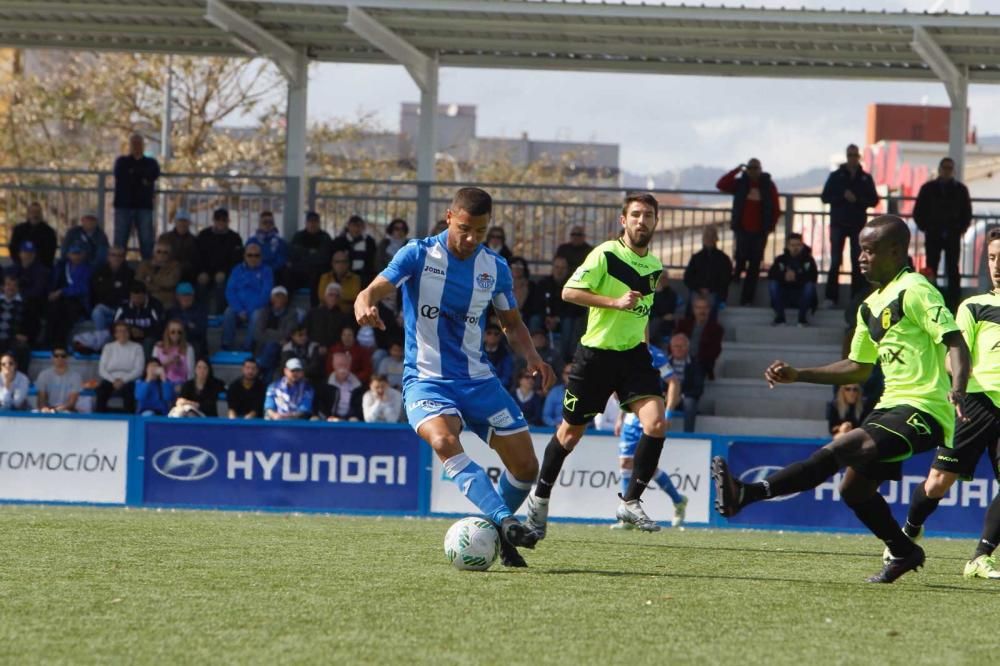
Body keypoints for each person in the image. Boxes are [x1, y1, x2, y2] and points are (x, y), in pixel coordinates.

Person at [711, 214, 970, 584]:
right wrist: (800, 374)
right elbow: (857, 367)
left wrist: (957, 388)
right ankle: (903, 550)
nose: (861, 257)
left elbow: (954, 339)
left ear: (896, 250)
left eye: (869, 250)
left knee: (841, 447)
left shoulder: (916, 289)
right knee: (854, 490)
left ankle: (747, 493)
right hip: (889, 408)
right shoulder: (870, 305)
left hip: (923, 409)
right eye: (859, 250)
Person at [354, 186, 555, 567]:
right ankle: (505, 523)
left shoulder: (494, 268)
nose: (470, 239)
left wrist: (533, 356)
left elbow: (511, 323)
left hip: (479, 381)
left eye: (479, 231)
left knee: (527, 467)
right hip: (427, 380)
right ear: (449, 217)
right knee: (444, 439)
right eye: (464, 228)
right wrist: (364, 303)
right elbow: (375, 288)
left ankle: (497, 531)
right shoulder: (417, 254)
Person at [525, 192, 667, 537]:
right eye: (635, 214)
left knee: (657, 422)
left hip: (634, 355)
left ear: (655, 221)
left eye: (648, 215)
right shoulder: (605, 253)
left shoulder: (655, 266)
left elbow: (642, 313)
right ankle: (539, 502)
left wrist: (645, 345)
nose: (641, 221)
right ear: (623, 220)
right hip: (596, 356)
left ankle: (630, 502)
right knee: (570, 434)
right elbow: (569, 292)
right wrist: (614, 302)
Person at [880, 228, 1000, 579]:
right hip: (975, 402)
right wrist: (959, 383)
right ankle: (910, 530)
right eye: (991, 258)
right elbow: (954, 354)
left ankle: (980, 556)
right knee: (936, 483)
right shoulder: (974, 306)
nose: (996, 265)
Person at [611, 343, 687, 529]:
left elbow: (673, 382)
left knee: (646, 466)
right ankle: (627, 514)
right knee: (626, 463)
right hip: (630, 416)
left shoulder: (654, 354)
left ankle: (678, 501)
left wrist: (668, 412)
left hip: (648, 414)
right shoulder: (620, 348)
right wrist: (620, 417)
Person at [821, 144, 880, 307]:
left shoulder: (865, 178)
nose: (852, 158)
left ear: (858, 157)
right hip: (838, 224)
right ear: (846, 157)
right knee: (835, 261)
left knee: (857, 260)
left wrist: (858, 200)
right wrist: (841, 196)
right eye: (850, 155)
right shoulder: (836, 176)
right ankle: (830, 297)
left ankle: (856, 298)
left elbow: (874, 200)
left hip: (857, 224)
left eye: (855, 155)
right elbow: (825, 197)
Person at [717, 159, 781, 306]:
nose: (753, 171)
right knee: (740, 258)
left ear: (760, 169)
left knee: (754, 266)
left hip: (760, 232)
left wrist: (771, 226)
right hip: (742, 230)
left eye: (756, 168)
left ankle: (747, 299)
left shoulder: (768, 185)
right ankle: (735, 282)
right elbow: (721, 185)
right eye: (750, 168)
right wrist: (736, 171)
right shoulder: (741, 183)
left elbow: (776, 207)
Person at [913, 157, 973, 312]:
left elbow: (967, 213)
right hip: (933, 234)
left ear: (953, 171)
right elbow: (918, 212)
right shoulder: (928, 188)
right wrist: (926, 227)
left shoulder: (960, 190)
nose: (947, 171)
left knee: (953, 268)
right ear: (939, 169)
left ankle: (954, 303)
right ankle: (930, 301)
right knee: (931, 267)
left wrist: (961, 228)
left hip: (952, 235)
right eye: (944, 167)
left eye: (949, 168)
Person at [113, 132, 160, 259]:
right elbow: (121, 176)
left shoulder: (151, 162)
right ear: (129, 145)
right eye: (133, 143)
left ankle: (147, 270)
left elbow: (154, 174)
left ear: (143, 146)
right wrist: (142, 178)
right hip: (124, 206)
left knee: (146, 241)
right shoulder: (121, 161)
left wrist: (134, 173)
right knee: (120, 241)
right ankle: (117, 270)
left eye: (139, 143)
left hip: (144, 206)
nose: (136, 146)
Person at [221, 241, 273, 352]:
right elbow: (230, 291)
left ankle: (248, 348)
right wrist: (239, 310)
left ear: (261, 256)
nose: (253, 258)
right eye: (250, 255)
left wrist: (248, 310)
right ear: (244, 256)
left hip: (257, 308)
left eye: (256, 255)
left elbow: (266, 293)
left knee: (257, 314)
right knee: (228, 312)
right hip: (239, 309)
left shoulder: (267, 271)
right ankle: (226, 346)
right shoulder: (237, 270)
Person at [535, 255, 585, 362]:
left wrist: (557, 319)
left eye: (563, 268)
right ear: (552, 268)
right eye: (557, 267)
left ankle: (564, 358)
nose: (559, 271)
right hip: (545, 320)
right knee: (534, 319)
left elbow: (575, 308)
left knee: (568, 323)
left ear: (567, 270)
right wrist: (546, 318)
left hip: (564, 320)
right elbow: (537, 304)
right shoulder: (543, 284)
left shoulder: (574, 285)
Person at [195, 207, 245, 313]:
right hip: (205, 272)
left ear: (228, 221)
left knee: (222, 284)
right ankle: (201, 314)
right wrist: (201, 272)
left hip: (225, 273)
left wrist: (225, 272)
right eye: (218, 219)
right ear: (214, 220)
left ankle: (219, 315)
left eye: (224, 219)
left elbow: (236, 260)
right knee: (200, 284)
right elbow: (197, 256)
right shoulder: (203, 235)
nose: (221, 222)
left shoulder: (235, 238)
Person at [767, 232, 819, 326]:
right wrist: (784, 276)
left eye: (798, 245)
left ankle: (802, 319)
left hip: (801, 296)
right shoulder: (780, 259)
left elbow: (813, 277)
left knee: (809, 286)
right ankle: (780, 318)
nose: (795, 248)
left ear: (802, 245)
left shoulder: (809, 260)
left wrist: (796, 277)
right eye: (792, 245)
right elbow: (771, 274)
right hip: (784, 295)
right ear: (787, 246)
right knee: (773, 284)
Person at [47, 243, 93, 349]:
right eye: (73, 254)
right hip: (60, 300)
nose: (76, 256)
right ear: (68, 255)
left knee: (67, 312)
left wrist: (62, 292)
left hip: (78, 302)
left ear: (83, 255)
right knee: (53, 309)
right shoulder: (61, 267)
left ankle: (61, 342)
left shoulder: (86, 269)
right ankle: (49, 341)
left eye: (78, 254)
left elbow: (83, 288)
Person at [95, 321, 144, 413]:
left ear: (129, 333)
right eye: (119, 331)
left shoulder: (137, 347)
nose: (122, 334)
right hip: (110, 379)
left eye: (125, 331)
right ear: (115, 334)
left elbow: (138, 370)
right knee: (101, 391)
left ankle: (129, 419)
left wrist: (123, 380)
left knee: (130, 392)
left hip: (129, 379)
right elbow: (102, 369)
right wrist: (114, 380)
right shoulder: (108, 347)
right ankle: (99, 418)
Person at [673, 294, 723, 381]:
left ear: (709, 309)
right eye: (698, 308)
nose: (701, 311)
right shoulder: (683, 324)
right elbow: (674, 342)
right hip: (681, 360)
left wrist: (694, 360)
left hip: (701, 363)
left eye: (704, 308)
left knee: (694, 372)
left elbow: (715, 351)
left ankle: (688, 394)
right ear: (693, 309)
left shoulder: (716, 328)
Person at [251, 286, 299, 376]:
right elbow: (258, 334)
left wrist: (268, 331)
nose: (279, 299)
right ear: (271, 298)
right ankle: (264, 372)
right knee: (271, 347)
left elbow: (288, 333)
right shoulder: (264, 312)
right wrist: (277, 338)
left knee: (272, 347)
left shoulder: (292, 313)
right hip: (263, 346)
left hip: (284, 347)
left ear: (286, 299)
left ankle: (260, 370)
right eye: (276, 296)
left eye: (282, 296)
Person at [683, 226, 733, 311]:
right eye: (707, 236)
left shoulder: (723, 259)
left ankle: (710, 323)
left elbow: (726, 280)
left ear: (716, 238)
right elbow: (687, 278)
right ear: (703, 239)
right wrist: (699, 289)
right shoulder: (696, 258)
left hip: (715, 293)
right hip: (697, 291)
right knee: (693, 304)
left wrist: (710, 290)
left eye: (712, 236)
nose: (709, 239)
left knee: (711, 302)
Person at [11, 241, 53, 338]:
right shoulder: (13, 268)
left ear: (34, 255)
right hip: (13, 299)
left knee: (30, 306)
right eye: (25, 252)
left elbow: (38, 291)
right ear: (20, 254)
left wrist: (19, 293)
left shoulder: (41, 270)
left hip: (34, 303)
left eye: (30, 253)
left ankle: (28, 339)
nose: (27, 256)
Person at [90, 246, 134, 336]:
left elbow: (128, 294)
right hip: (105, 308)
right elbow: (95, 293)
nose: (116, 258)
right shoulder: (99, 272)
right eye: (113, 255)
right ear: (108, 257)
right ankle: (102, 340)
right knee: (97, 311)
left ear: (124, 258)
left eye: (120, 255)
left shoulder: (130, 274)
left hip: (122, 309)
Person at [289, 211, 333, 301]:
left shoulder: (325, 237)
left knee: (318, 275)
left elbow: (324, 258)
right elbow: (293, 254)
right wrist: (312, 253)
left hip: (318, 272)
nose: (312, 224)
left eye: (315, 222)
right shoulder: (298, 236)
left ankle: (315, 307)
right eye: (310, 222)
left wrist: (305, 253)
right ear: (306, 223)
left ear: (319, 223)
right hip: (300, 271)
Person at [666, 333, 705, 433]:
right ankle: (655, 432)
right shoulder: (664, 363)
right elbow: (657, 383)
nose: (678, 349)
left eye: (681, 346)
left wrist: (681, 397)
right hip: (666, 396)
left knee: (690, 403)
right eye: (676, 346)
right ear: (671, 347)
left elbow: (698, 388)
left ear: (687, 348)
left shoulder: (696, 364)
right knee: (655, 400)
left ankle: (688, 434)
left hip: (685, 398)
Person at [113, 281, 164, 355]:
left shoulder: (155, 305)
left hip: (147, 337)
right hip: (127, 335)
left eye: (139, 298)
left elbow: (160, 327)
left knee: (149, 341)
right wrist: (129, 331)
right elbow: (115, 325)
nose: (136, 300)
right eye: (133, 297)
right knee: (111, 338)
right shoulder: (123, 306)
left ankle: (146, 365)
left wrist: (143, 332)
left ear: (145, 295)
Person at [305, 282, 351, 354]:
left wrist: (328, 347)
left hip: (335, 350)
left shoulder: (344, 317)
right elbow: (305, 331)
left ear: (340, 298)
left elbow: (344, 337)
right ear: (325, 296)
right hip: (313, 347)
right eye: (331, 295)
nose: (333, 298)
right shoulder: (313, 313)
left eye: (337, 296)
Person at [165, 282, 208, 357]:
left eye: (189, 295)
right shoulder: (171, 311)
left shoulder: (201, 310)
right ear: (177, 296)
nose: (186, 298)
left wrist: (182, 326)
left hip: (193, 342)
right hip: (173, 341)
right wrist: (188, 325)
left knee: (196, 347)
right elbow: (167, 329)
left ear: (193, 296)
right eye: (183, 295)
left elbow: (201, 330)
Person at [9, 201, 57, 268]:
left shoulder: (49, 232)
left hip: (42, 268)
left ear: (41, 214)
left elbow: (50, 253)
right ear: (28, 214)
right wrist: (21, 263)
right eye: (33, 212)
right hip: (21, 266)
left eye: (38, 212)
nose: (35, 215)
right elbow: (13, 248)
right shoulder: (19, 230)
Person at [247, 210, 289, 287]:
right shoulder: (252, 241)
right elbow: (249, 258)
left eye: (270, 222)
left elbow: (281, 259)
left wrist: (269, 270)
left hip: (275, 273)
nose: (268, 225)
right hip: (256, 271)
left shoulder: (281, 242)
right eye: (265, 222)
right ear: (259, 224)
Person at [35, 346, 83, 413]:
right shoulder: (44, 375)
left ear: (67, 358)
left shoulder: (75, 376)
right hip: (48, 410)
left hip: (67, 411)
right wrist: (45, 409)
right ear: (52, 357)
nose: (59, 358)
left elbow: (72, 402)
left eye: (63, 356)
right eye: (56, 356)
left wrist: (56, 410)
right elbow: (41, 398)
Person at [332, 215, 377, 286]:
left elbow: (372, 260)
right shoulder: (339, 241)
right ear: (348, 226)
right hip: (345, 276)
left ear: (363, 227)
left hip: (364, 277)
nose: (356, 229)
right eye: (353, 226)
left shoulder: (369, 242)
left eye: (359, 226)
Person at [135, 241, 181, 308]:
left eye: (165, 252)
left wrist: (150, 279)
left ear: (170, 254)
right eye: (159, 251)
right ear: (153, 253)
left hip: (166, 300)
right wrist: (159, 287)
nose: (162, 254)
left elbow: (170, 282)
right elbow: (139, 282)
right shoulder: (144, 265)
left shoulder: (175, 266)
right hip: (145, 299)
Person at [0, 273, 31, 373]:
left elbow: (32, 325)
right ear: (3, 287)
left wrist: (25, 335)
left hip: (14, 338)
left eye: (14, 285)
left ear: (18, 288)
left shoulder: (26, 304)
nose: (11, 288)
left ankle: (21, 380)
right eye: (8, 284)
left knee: (22, 348)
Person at [153, 319, 195, 391]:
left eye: (179, 332)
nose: (176, 334)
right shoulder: (158, 347)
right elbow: (152, 369)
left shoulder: (188, 348)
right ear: (168, 333)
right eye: (173, 332)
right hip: (161, 383)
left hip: (181, 383)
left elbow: (190, 373)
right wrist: (167, 363)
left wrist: (179, 364)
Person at [157, 209, 198, 282]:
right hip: (166, 271)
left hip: (186, 274)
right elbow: (158, 255)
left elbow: (194, 261)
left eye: (185, 221)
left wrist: (179, 267)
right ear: (175, 222)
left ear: (189, 223)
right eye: (180, 221)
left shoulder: (194, 240)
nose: (182, 224)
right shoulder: (164, 237)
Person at [324, 351, 365, 421]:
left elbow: (359, 407)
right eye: (339, 365)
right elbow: (321, 405)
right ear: (334, 366)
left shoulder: (358, 386)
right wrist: (328, 417)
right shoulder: (325, 384)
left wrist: (354, 416)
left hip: (351, 419)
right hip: (331, 418)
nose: (343, 369)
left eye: (346, 365)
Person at [649, 272, 679, 347]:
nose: (662, 280)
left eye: (665, 278)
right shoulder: (650, 293)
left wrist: (660, 292)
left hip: (665, 323)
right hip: (652, 320)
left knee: (657, 323)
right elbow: (649, 310)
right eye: (661, 278)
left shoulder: (672, 294)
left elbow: (667, 309)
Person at [483, 323, 513, 389]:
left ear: (500, 337)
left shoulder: (506, 354)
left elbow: (506, 376)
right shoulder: (477, 351)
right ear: (484, 335)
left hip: (497, 388)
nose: (492, 336)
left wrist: (493, 385)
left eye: (496, 334)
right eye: (489, 333)